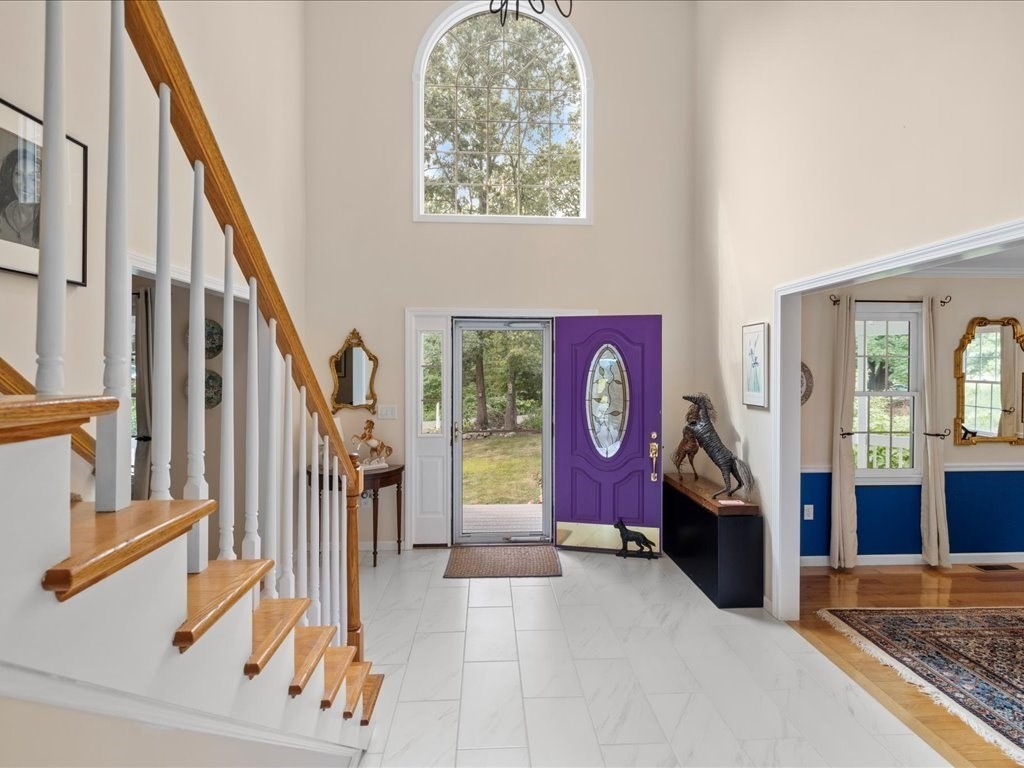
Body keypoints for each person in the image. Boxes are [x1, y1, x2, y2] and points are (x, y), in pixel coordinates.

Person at [0, 143, 41, 248]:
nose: (24, 184)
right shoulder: (3, 213)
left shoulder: (48, 221)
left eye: (33, 177)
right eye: (18, 174)